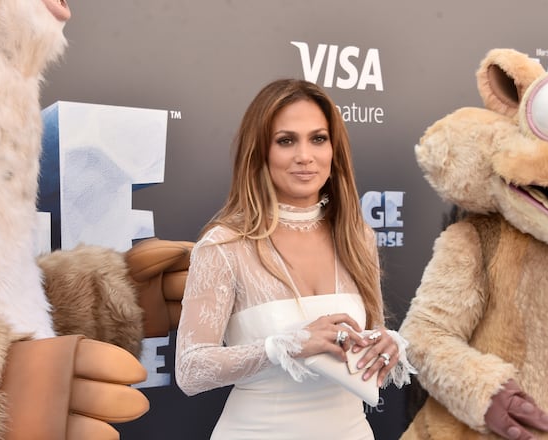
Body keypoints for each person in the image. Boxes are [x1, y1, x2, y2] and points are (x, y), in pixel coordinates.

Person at [175, 78, 414, 439]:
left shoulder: (357, 236)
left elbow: (370, 333)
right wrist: (282, 347)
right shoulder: (223, 246)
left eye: (318, 138)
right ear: (261, 152)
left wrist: (384, 345)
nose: (305, 156)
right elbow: (190, 371)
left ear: (334, 150)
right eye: (286, 141)